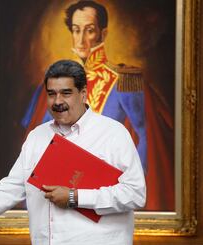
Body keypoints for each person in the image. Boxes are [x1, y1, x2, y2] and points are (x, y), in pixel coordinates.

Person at [0, 60, 146, 245]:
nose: (58, 101)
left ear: (83, 93)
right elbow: (12, 187)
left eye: (66, 93)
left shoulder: (113, 133)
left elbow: (135, 194)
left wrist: (75, 196)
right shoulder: (37, 137)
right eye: (51, 94)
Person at [21, 0, 174, 210]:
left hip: (105, 191)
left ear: (103, 33)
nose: (82, 39)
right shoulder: (54, 83)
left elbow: (145, 136)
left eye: (89, 30)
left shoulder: (125, 80)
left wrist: (128, 185)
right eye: (76, 30)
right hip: (58, 190)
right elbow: (41, 139)